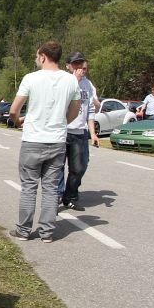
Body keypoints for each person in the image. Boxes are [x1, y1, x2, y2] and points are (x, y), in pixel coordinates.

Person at [8, 40, 80, 243]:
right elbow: (75, 110)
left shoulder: (31, 78)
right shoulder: (70, 80)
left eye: (36, 56)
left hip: (33, 139)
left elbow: (14, 110)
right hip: (57, 141)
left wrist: (18, 121)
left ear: (43, 56)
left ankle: (23, 231)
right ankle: (47, 232)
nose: (36, 59)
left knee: (29, 187)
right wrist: (62, 123)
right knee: (50, 189)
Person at [58, 52, 100, 211]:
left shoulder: (88, 85)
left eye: (82, 65)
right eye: (76, 64)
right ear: (68, 66)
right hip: (62, 131)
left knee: (79, 167)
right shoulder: (62, 81)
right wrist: (74, 81)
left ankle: (69, 196)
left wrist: (93, 133)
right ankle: (56, 195)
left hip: (80, 132)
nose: (80, 68)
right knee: (58, 167)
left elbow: (91, 109)